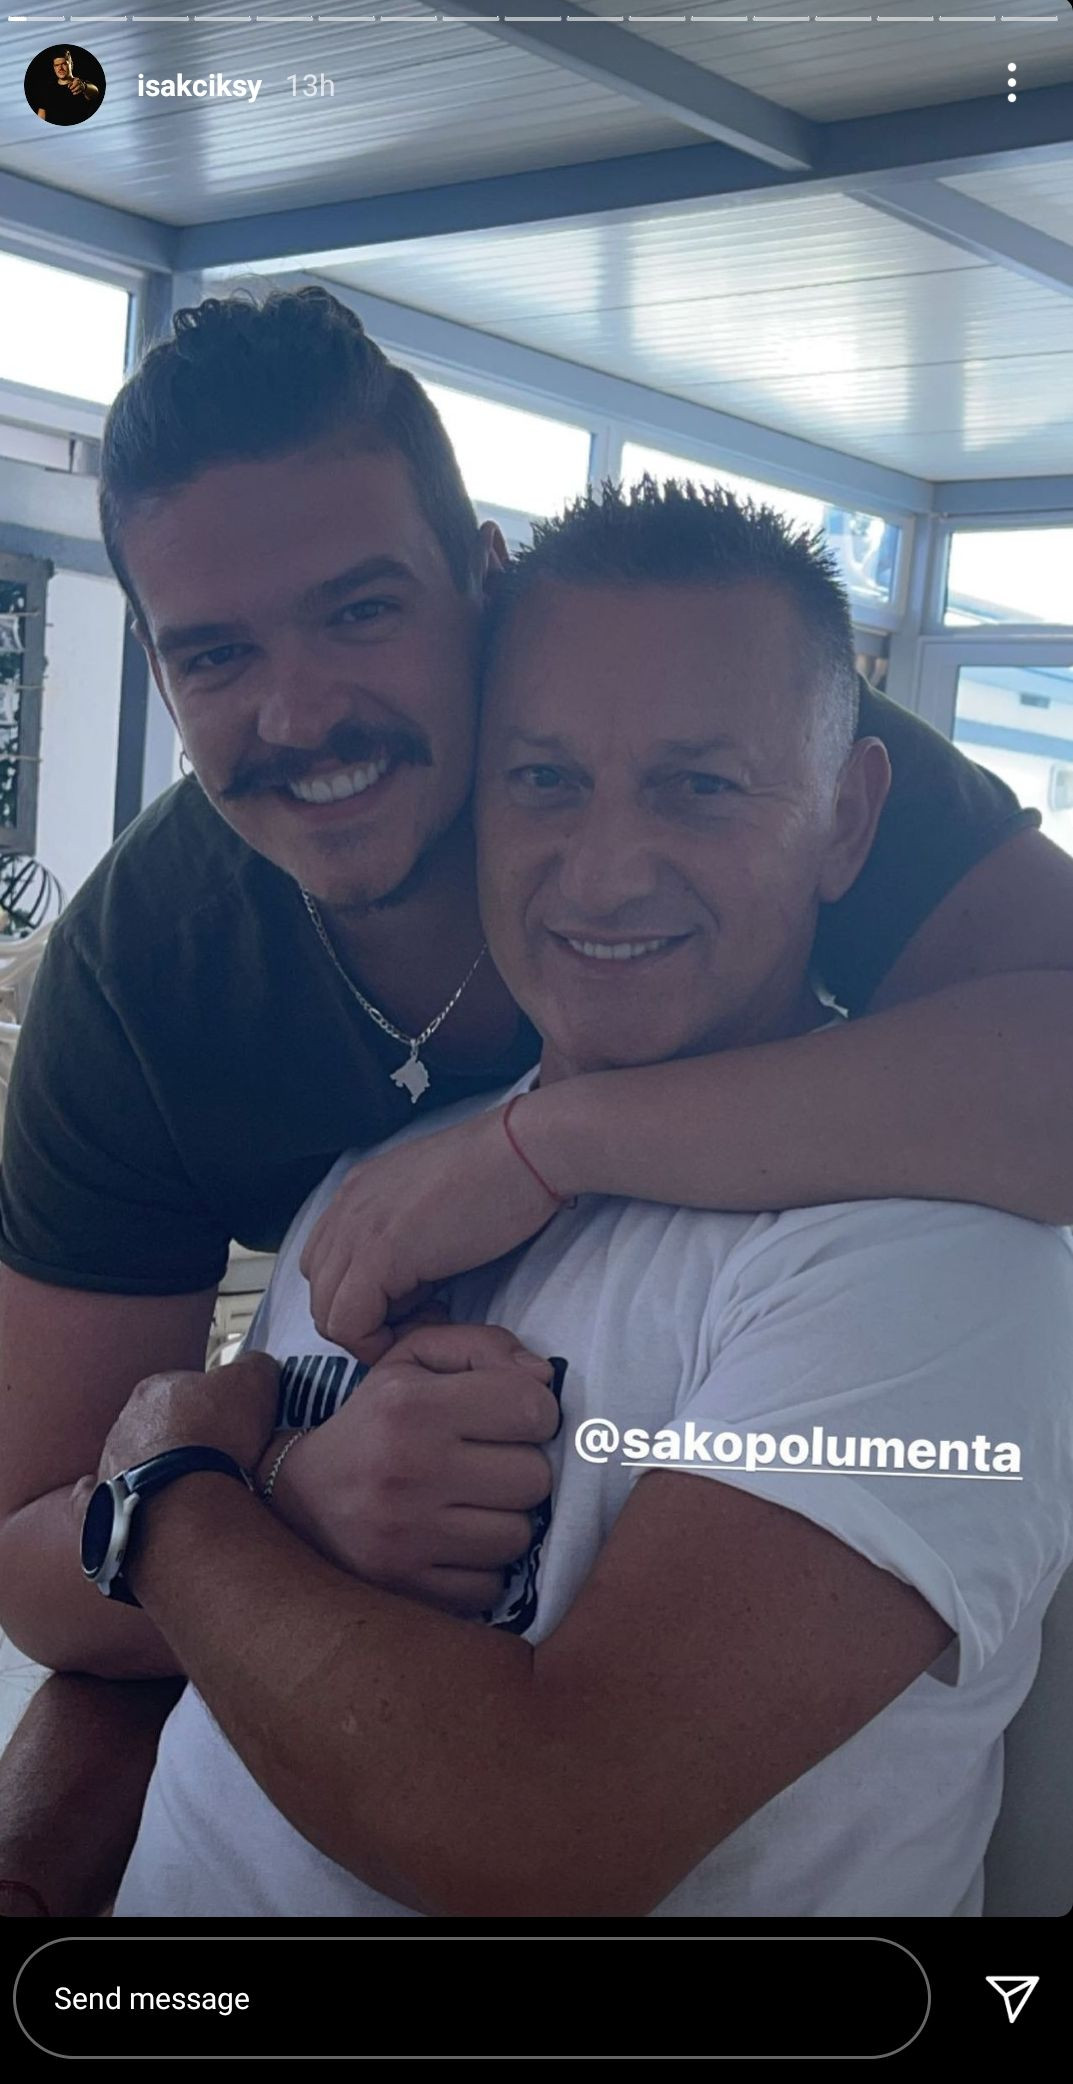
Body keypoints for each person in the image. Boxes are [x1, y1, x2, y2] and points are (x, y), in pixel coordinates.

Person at [1, 288, 1072, 1915]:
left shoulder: (753, 707)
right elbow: (59, 1573)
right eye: (215, 652)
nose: (301, 713)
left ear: (480, 593)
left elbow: (547, 1828)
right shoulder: (170, 999)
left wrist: (536, 1145)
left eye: (360, 610)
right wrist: (271, 1503)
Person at [36, 50, 101, 125]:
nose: (60, 68)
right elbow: (41, 115)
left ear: (71, 64)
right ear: (54, 67)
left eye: (64, 64)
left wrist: (84, 86)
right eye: (57, 65)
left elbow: (95, 92)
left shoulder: (81, 84)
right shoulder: (47, 89)